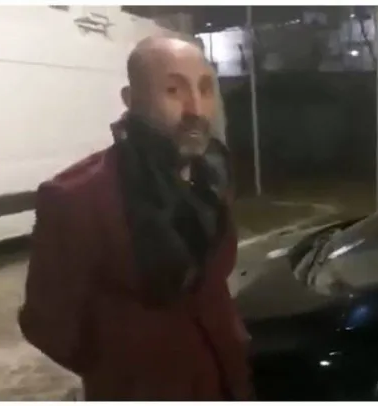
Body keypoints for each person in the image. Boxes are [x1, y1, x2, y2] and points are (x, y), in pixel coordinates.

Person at [18, 35, 252, 400]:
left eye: (206, 89)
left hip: (227, 382)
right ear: (132, 100)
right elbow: (48, 325)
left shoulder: (214, 172)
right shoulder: (77, 196)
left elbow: (215, 280)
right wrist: (119, 363)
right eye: (173, 90)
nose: (196, 108)